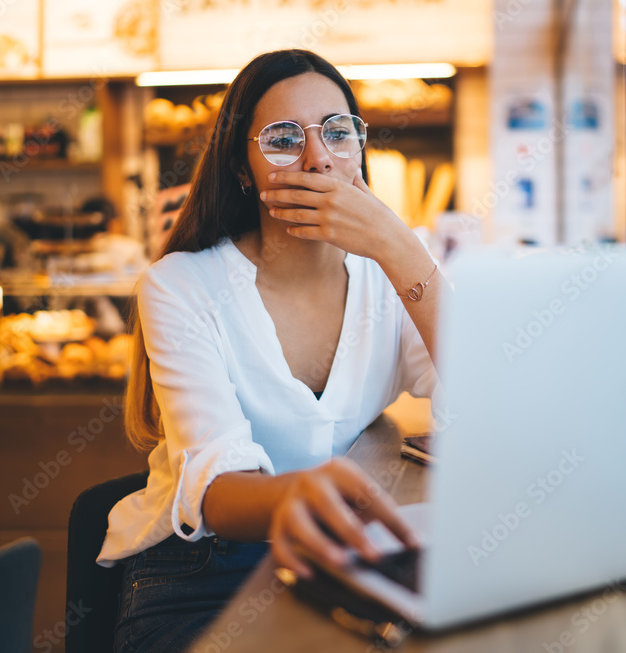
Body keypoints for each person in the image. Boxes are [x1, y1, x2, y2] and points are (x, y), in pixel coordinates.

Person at [97, 49, 445, 652]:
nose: (318, 158)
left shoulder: (389, 274)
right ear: (243, 169)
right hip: (202, 575)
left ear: (361, 150)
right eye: (284, 139)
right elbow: (218, 487)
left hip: (339, 559)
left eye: (338, 133)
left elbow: (497, 399)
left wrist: (399, 246)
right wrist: (296, 495)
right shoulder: (180, 285)